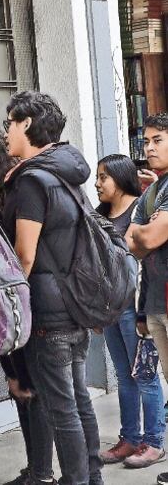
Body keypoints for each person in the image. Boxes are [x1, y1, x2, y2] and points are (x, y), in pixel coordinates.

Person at [2, 91, 102, 485]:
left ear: (27, 124)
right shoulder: (67, 172)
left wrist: (6, 305)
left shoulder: (32, 181)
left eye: (10, 121)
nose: (6, 130)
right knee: (78, 402)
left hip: (49, 311)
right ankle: (92, 478)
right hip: (76, 302)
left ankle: (78, 480)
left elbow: (24, 256)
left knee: (63, 409)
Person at [0, 126, 54, 485]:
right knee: (19, 388)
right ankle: (36, 467)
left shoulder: (12, 196)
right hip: (4, 310)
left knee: (31, 390)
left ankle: (42, 471)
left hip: (19, 307)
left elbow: (22, 257)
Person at [95, 153, 166, 469]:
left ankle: (153, 442)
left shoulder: (140, 210)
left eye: (103, 177)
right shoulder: (98, 216)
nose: (97, 184)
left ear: (121, 178)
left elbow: (139, 254)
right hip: (110, 307)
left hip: (136, 307)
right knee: (125, 376)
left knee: (144, 376)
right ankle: (130, 439)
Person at [126, 115, 168, 485]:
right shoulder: (152, 191)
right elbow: (131, 241)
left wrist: (144, 231)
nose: (149, 147)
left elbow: (150, 238)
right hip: (155, 300)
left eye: (157, 140)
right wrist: (143, 229)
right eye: (147, 141)